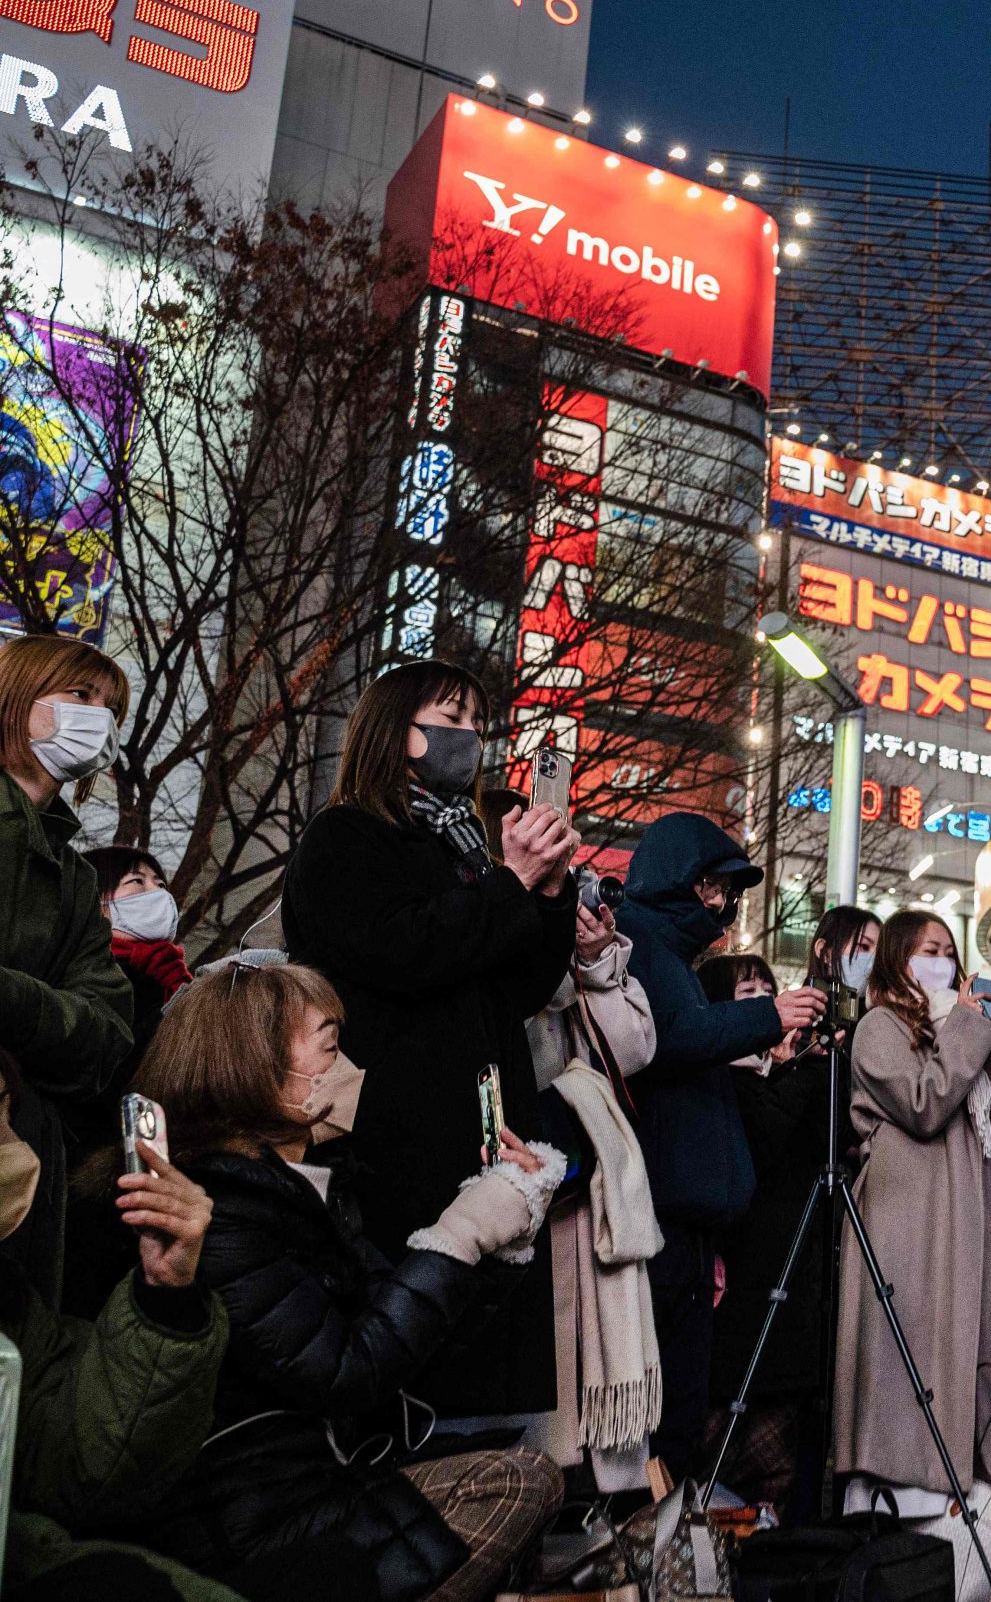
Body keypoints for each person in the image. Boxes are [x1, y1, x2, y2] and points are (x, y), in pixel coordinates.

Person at [142, 958, 568, 1602]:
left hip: (316, 1486)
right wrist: (460, 1234)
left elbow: (411, 1345)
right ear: (254, 1066)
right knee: (518, 1485)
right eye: (330, 1047)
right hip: (257, 1525)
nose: (347, 1067)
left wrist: (500, 1238)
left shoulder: (309, 1191)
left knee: (527, 1476)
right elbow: (346, 1370)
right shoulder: (220, 1214)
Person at [281, 659, 576, 1419]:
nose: (470, 737)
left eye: (478, 723)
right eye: (451, 718)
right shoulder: (345, 836)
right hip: (395, 1129)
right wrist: (509, 883)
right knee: (410, 1343)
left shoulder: (466, 847)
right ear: (396, 730)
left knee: (487, 1363)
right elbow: (402, 950)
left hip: (487, 1121)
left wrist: (547, 894)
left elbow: (518, 987)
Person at [618, 813, 827, 1477]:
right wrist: (768, 1016)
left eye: (729, 890)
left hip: (689, 1223)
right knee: (664, 1409)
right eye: (713, 885)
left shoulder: (671, 957)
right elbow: (668, 1039)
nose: (723, 902)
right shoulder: (640, 946)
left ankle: (667, 1520)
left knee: (682, 1404)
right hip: (664, 1218)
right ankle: (650, 1524)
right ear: (678, 875)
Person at [0, 1044, 238, 1602]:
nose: (12, 1143)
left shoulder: (8, 1295)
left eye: (7, 1111)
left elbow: (76, 1470)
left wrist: (166, 1296)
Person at [832, 912, 991, 1516]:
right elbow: (924, 1104)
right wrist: (971, 1027)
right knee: (909, 1349)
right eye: (929, 950)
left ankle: (957, 1494)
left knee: (963, 1348)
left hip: (964, 1211)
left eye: (949, 951)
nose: (943, 962)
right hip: (908, 1217)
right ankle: (896, 1500)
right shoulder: (880, 1027)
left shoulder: (961, 1028)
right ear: (898, 958)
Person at [712, 907, 878, 1517]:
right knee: (751, 1418)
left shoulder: (804, 1062)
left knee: (804, 1409)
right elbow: (767, 1136)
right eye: (747, 995)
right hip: (755, 1267)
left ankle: (802, 1527)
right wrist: (804, 1064)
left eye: (767, 991)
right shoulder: (726, 1082)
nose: (763, 1005)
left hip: (810, 1254)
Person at [513, 861, 660, 1497]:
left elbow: (634, 1051)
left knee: (593, 1376)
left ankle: (600, 1508)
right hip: (525, 1185)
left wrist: (597, 963)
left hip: (587, 1189)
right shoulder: (503, 946)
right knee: (545, 1389)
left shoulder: (591, 970)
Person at [0, 634, 138, 1306]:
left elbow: (107, 1034)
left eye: (111, 707)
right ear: (13, 697)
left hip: (26, 1168)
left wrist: (14, 1000)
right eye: (80, 695)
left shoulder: (75, 876)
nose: (98, 718)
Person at [92, 844, 192, 1072]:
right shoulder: (88, 978)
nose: (159, 893)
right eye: (137, 881)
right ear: (94, 900)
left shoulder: (173, 978)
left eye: (161, 884)